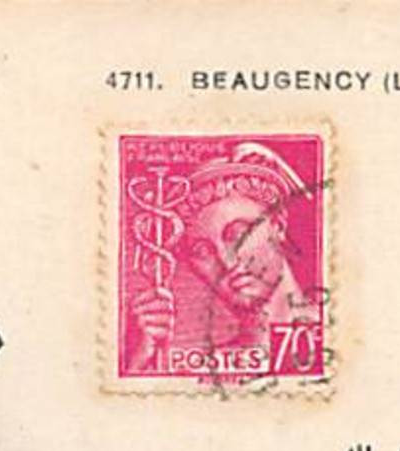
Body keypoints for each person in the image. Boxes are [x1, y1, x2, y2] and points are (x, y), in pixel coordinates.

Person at [126, 142, 320, 374]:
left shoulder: (345, 334)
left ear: (278, 225)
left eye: (238, 235)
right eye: (202, 252)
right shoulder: (206, 372)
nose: (227, 264)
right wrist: (138, 360)